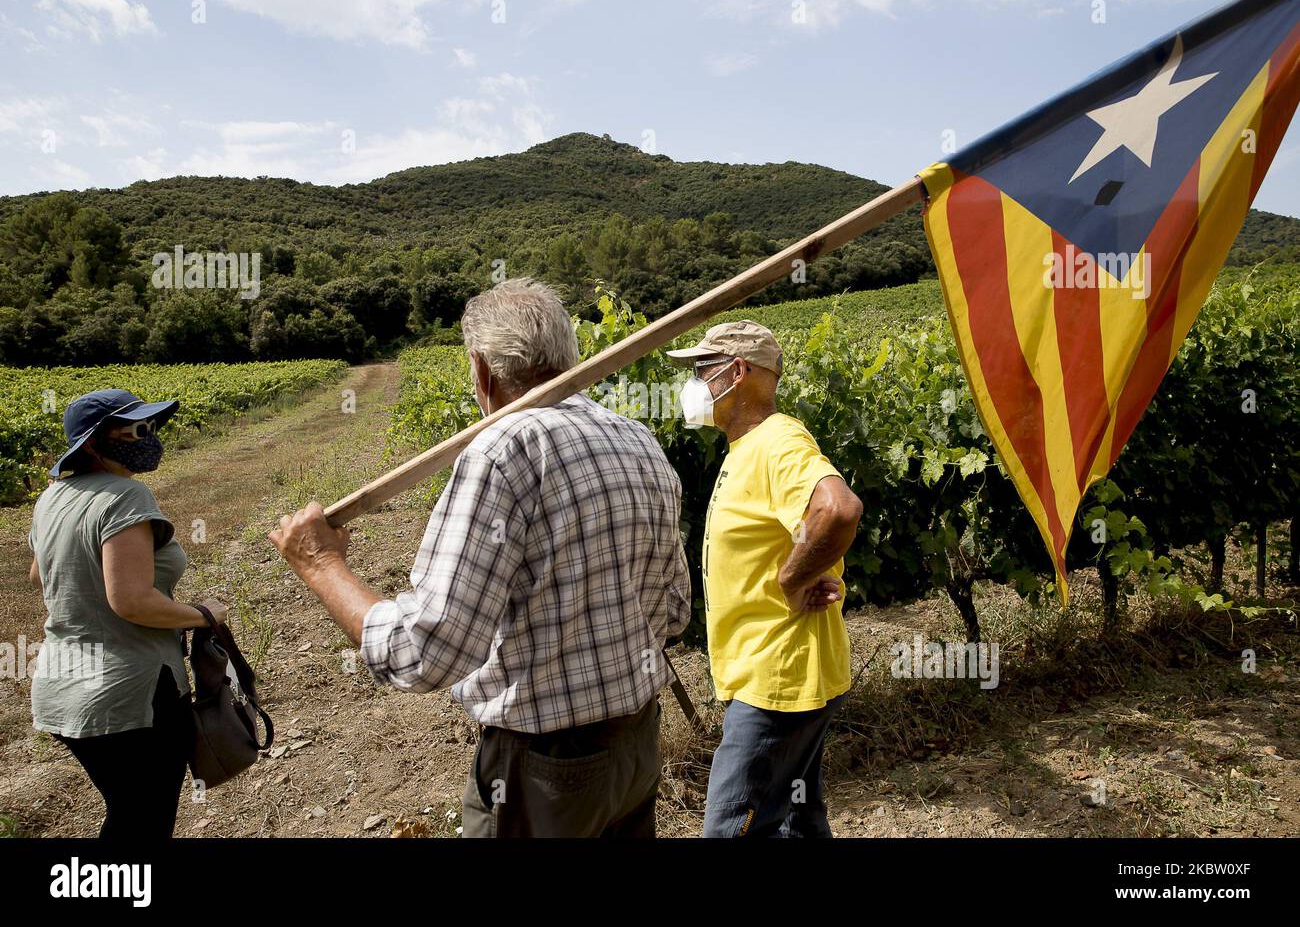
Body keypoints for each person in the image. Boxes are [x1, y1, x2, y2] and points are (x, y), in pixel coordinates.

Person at [270, 277, 691, 838]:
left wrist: (322, 565)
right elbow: (677, 610)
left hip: (546, 772)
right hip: (637, 746)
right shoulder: (638, 440)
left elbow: (424, 651)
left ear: (482, 370)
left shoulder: (504, 448)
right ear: (570, 354)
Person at [668, 320, 863, 837]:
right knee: (797, 821)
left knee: (732, 829)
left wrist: (793, 576)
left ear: (737, 372)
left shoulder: (777, 440)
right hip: (780, 674)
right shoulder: (748, 448)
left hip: (776, 681)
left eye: (701, 370)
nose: (694, 384)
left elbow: (838, 509)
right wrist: (808, 567)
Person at [28, 389, 227, 839]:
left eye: (152, 427)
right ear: (94, 444)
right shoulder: (126, 497)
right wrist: (203, 614)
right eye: (137, 429)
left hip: (61, 690)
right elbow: (132, 601)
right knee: (143, 823)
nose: (149, 437)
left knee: (128, 813)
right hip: (130, 694)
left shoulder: (51, 498)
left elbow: (40, 575)